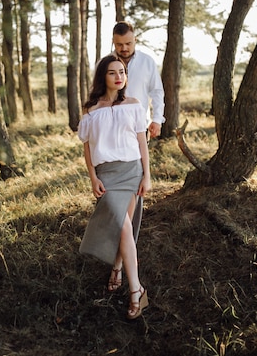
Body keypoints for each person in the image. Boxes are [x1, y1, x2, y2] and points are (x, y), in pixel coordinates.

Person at [78, 54, 151, 320]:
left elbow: (142, 143)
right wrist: (93, 178)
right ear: (103, 77)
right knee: (122, 226)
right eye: (113, 72)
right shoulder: (91, 111)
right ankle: (128, 279)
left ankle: (132, 287)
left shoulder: (133, 105)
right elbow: (87, 148)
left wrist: (147, 176)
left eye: (122, 72)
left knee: (124, 227)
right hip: (106, 175)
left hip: (131, 171)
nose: (119, 76)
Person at [112, 21, 165, 139]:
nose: (124, 48)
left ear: (135, 40)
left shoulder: (147, 62)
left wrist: (157, 119)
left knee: (142, 158)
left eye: (128, 43)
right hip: (111, 127)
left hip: (140, 127)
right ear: (113, 42)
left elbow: (157, 92)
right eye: (119, 44)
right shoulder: (104, 63)